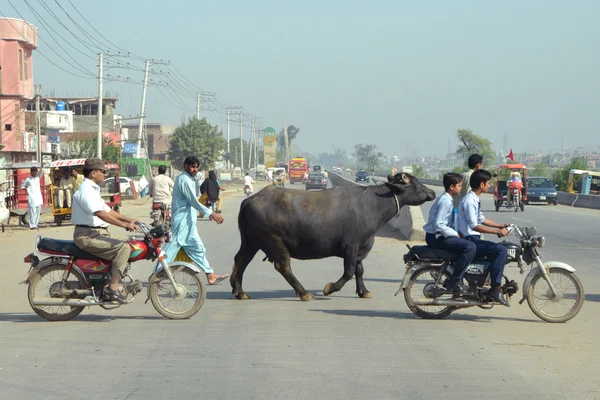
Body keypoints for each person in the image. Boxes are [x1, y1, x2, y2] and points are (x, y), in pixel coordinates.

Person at [72, 157, 141, 303]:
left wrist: (130, 220)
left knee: (132, 244)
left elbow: (108, 211)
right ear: (93, 173)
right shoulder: (86, 191)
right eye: (103, 171)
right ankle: (113, 287)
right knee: (123, 249)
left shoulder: (93, 190)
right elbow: (100, 213)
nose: (105, 174)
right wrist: (124, 225)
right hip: (87, 235)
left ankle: (110, 276)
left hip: (96, 233)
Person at [157, 156, 228, 285]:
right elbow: (193, 201)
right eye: (192, 166)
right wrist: (211, 213)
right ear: (185, 166)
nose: (195, 169)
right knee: (172, 247)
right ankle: (157, 275)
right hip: (182, 220)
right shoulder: (183, 179)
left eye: (196, 167)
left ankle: (210, 274)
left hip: (189, 220)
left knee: (198, 248)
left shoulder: (191, 179)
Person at [458, 169, 510, 306]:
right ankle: (495, 288)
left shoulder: (474, 199)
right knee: (501, 251)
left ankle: (485, 282)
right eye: (488, 183)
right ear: (481, 184)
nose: (490, 186)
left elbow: (481, 218)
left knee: (500, 249)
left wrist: (500, 225)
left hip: (473, 239)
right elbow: (474, 225)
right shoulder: (469, 200)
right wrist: (496, 232)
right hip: (470, 240)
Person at [423, 173, 476, 295]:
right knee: (470, 247)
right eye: (459, 186)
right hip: (435, 237)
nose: (461, 188)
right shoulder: (445, 201)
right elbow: (439, 224)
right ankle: (455, 281)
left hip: (440, 235)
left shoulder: (447, 199)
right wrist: (455, 234)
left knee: (466, 244)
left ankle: (454, 274)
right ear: (452, 187)